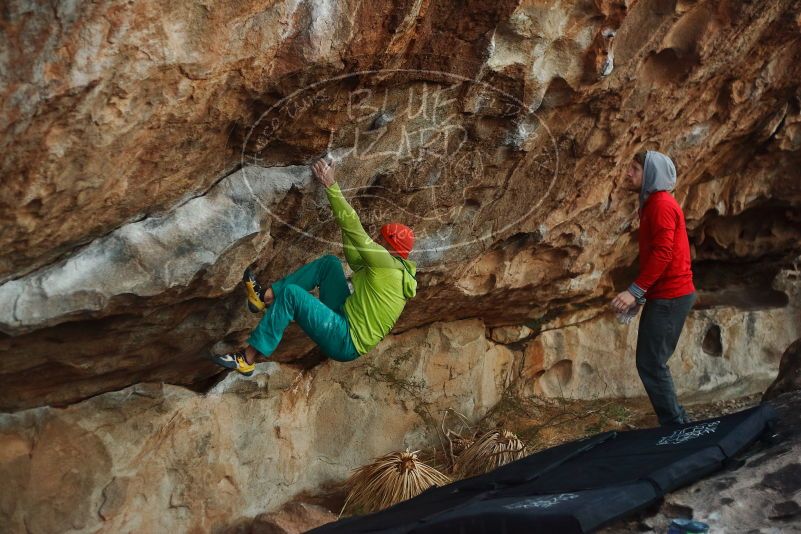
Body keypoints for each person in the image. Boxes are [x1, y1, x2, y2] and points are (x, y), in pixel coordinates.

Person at [212, 157, 418, 375]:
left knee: (292, 295)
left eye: (383, 239)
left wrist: (331, 185)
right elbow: (354, 257)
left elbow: (354, 227)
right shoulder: (393, 270)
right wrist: (348, 228)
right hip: (344, 318)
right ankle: (264, 298)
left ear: (392, 247)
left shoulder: (387, 263)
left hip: (346, 340)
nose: (378, 239)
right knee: (329, 264)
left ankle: (247, 358)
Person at [610, 150, 697, 426]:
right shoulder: (652, 204)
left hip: (672, 295)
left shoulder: (661, 205)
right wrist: (642, 294)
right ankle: (675, 424)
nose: (629, 173)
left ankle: (676, 427)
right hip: (665, 294)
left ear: (651, 174)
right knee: (650, 362)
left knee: (651, 363)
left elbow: (663, 254)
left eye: (635, 168)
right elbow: (655, 256)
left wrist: (634, 291)